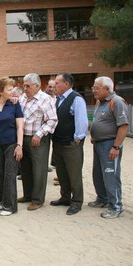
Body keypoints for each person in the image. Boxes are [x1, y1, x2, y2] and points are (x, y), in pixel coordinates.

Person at [89, 76, 129, 219]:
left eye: (97, 88)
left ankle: (116, 206)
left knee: (111, 175)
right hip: (99, 144)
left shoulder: (117, 102)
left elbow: (123, 126)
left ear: (107, 89)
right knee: (98, 174)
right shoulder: (100, 102)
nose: (93, 90)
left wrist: (116, 147)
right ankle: (102, 199)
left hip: (110, 144)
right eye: (94, 87)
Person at [0, 77, 24, 215]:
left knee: (10, 175)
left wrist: (19, 145)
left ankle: (10, 207)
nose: (12, 91)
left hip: (11, 144)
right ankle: (2, 201)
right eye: (9, 89)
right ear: (1, 91)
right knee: (1, 174)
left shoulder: (15, 105)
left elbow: (20, 127)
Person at [50, 73, 88, 215]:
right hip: (58, 143)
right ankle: (65, 197)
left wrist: (77, 139)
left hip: (71, 144)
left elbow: (82, 121)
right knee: (62, 173)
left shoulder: (76, 99)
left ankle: (77, 201)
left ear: (66, 84)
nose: (55, 86)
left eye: (58, 83)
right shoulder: (58, 100)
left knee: (74, 174)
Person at [19, 73, 58, 211]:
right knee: (25, 168)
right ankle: (28, 195)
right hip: (23, 138)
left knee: (39, 169)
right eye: (24, 85)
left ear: (37, 86)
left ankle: (37, 199)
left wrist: (39, 134)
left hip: (38, 139)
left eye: (28, 86)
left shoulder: (45, 99)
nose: (25, 88)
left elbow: (52, 120)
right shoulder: (22, 98)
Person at [45, 79, 59, 185]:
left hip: (58, 130)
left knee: (58, 152)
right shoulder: (44, 99)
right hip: (47, 129)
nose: (51, 89)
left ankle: (60, 176)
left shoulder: (59, 99)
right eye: (49, 87)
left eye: (53, 87)